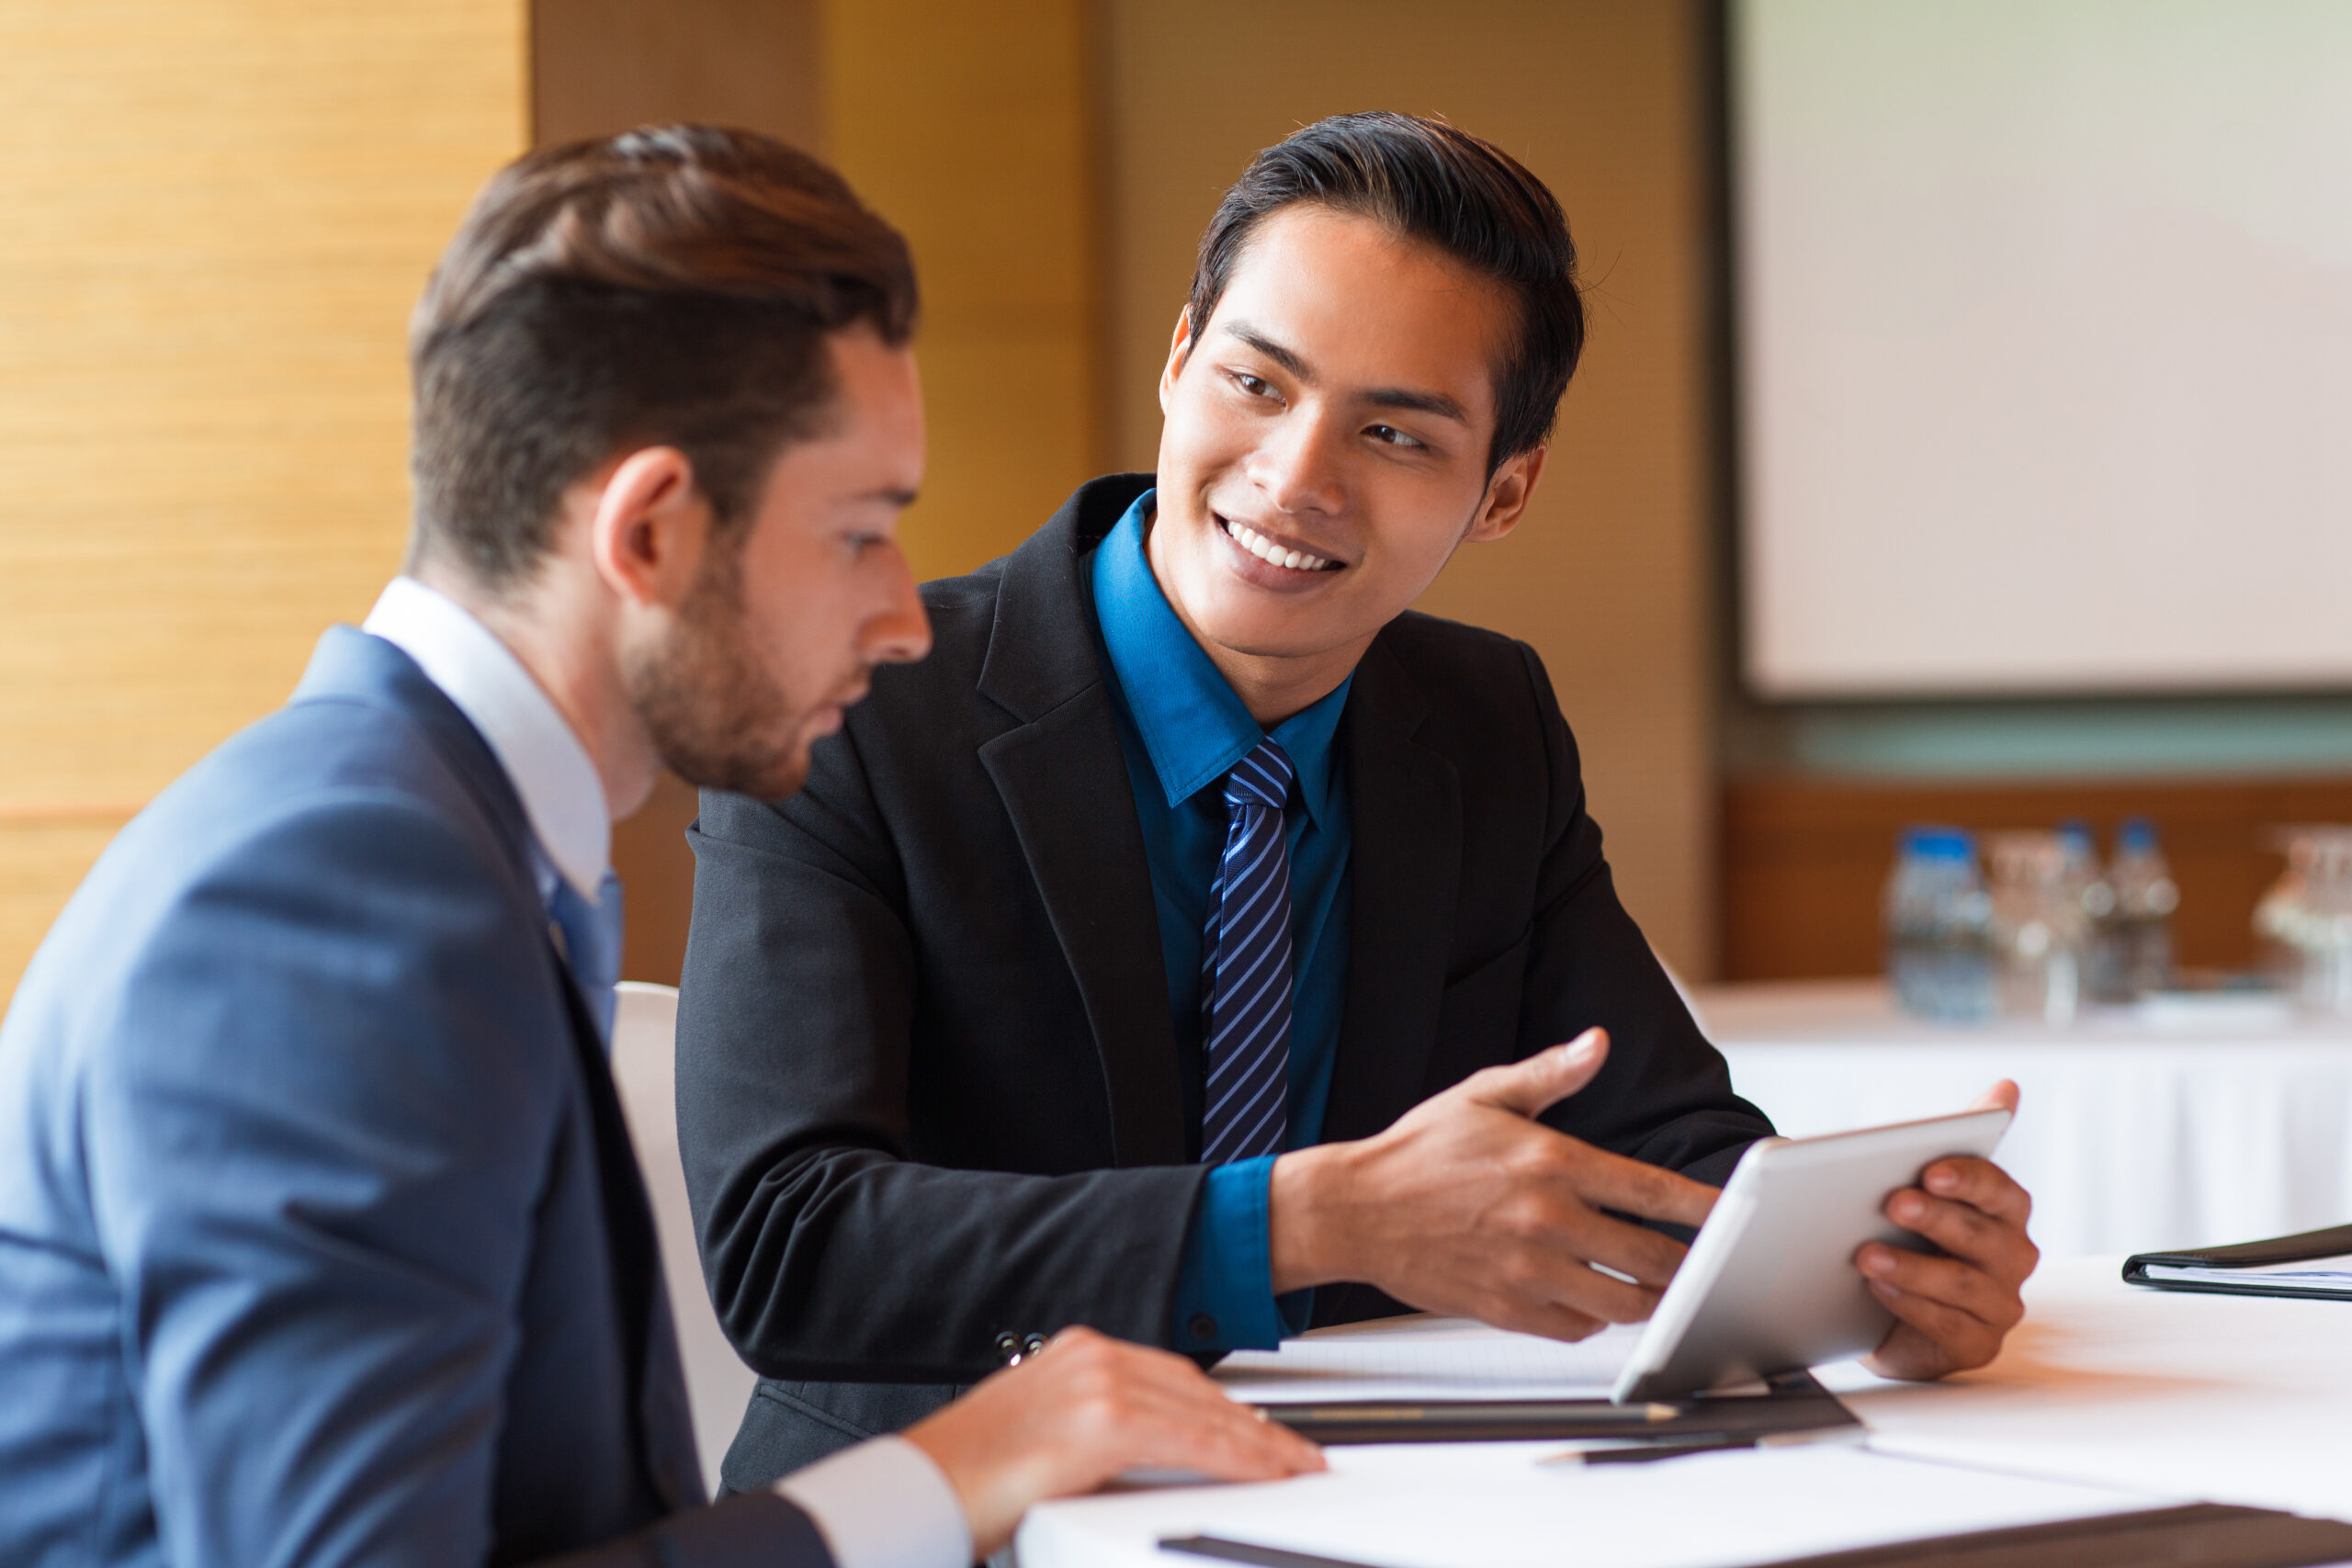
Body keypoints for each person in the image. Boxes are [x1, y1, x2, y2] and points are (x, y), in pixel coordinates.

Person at [0, 127, 1320, 1568]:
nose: (901, 620)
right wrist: (962, 1467)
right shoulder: (337, 902)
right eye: (860, 535)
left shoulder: (438, 845)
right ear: (652, 533)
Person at [676, 112, 2041, 1486]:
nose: (1297, 477)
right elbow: (790, 1245)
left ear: (1502, 495)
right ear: (1176, 360)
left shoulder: (1487, 724)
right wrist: (1306, 1223)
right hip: (938, 1514)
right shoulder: (859, 698)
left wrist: (1873, 1279)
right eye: (1258, 385)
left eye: (1394, 432)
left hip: (1364, 1501)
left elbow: (1662, 1141)